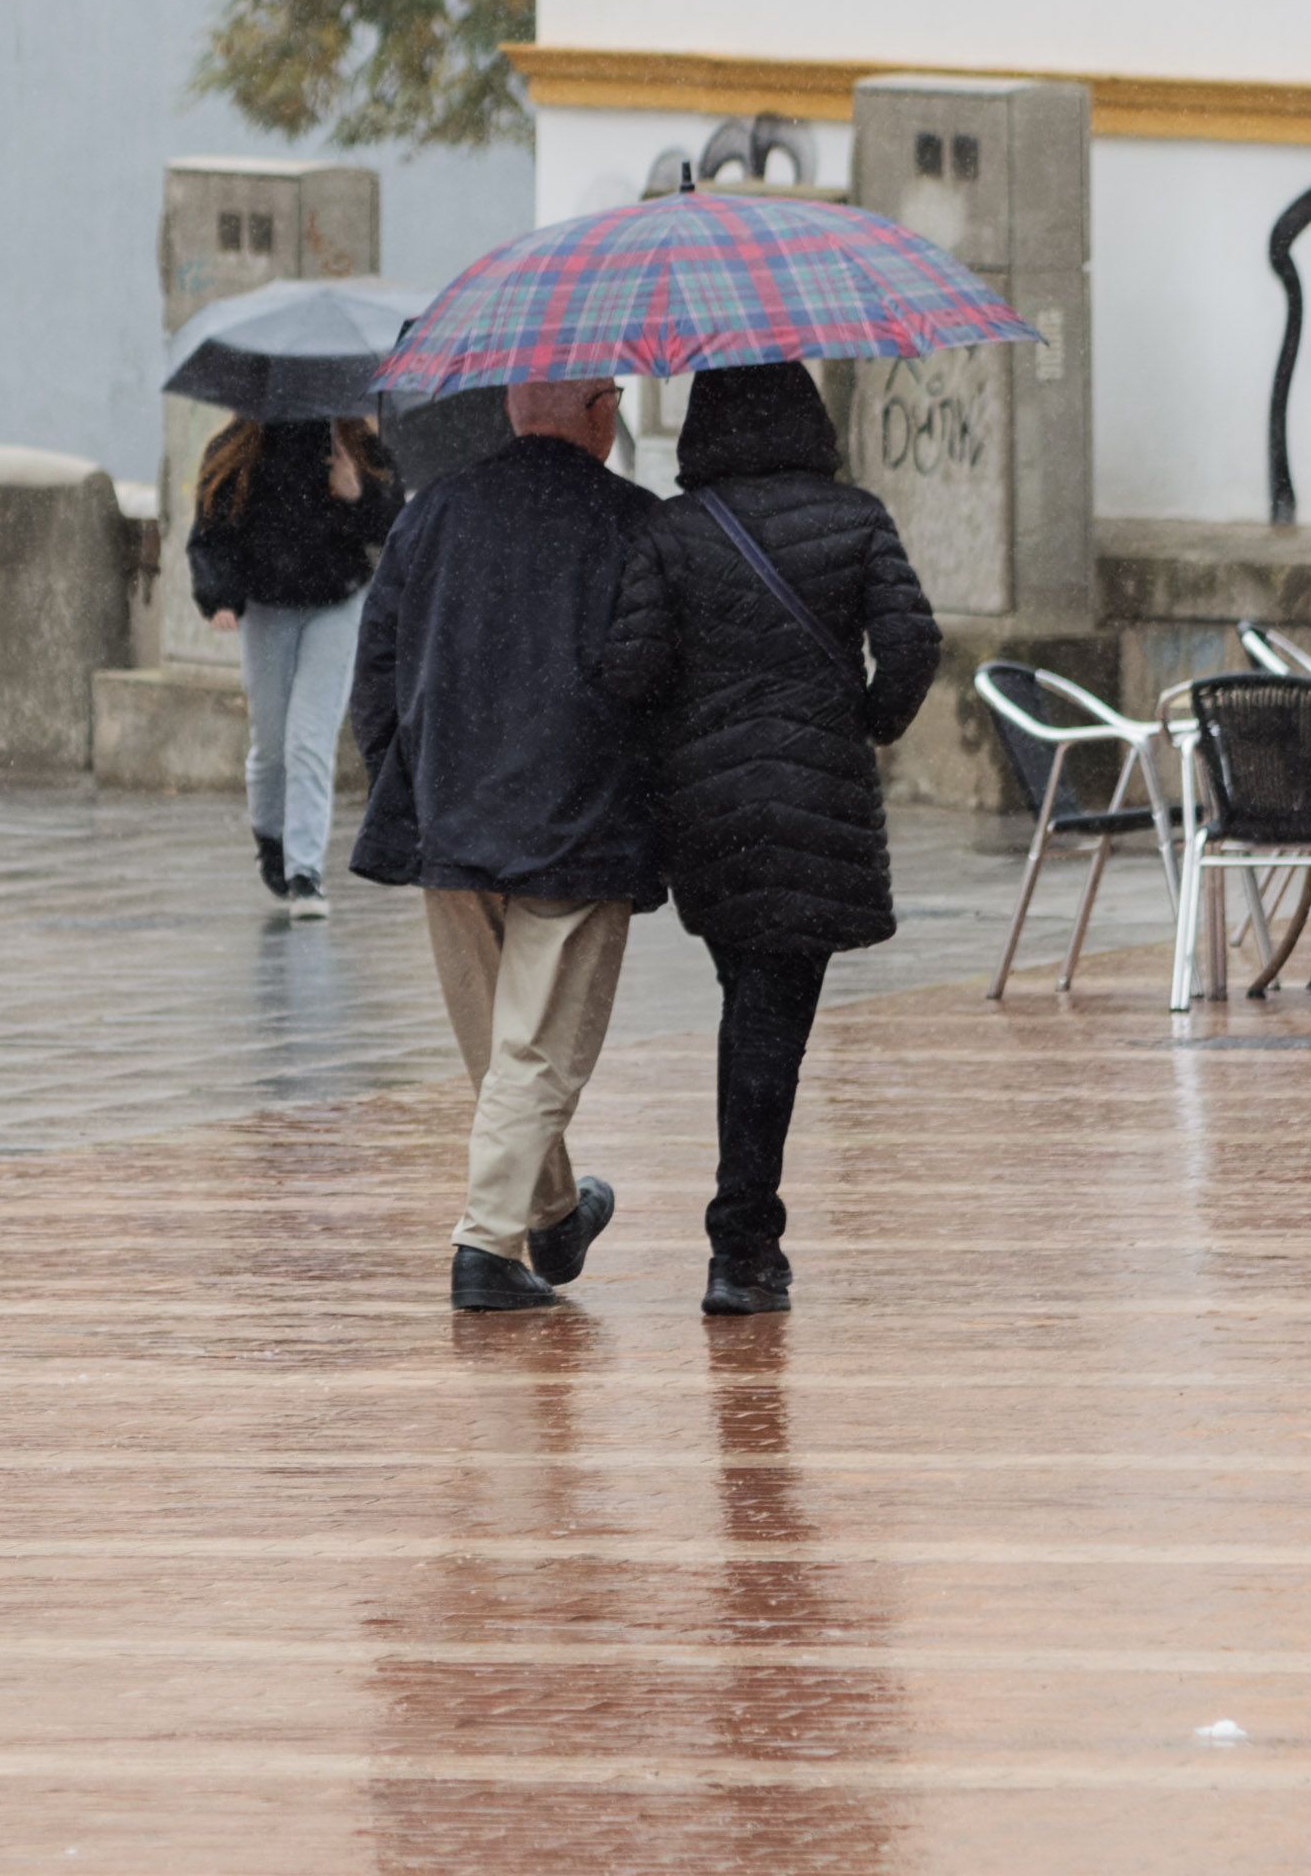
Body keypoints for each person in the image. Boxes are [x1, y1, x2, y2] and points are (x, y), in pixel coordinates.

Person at [596, 363, 941, 1316]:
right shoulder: (856, 518)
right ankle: (741, 1245)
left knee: (753, 1005)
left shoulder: (673, 532)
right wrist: (863, 720)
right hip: (816, 799)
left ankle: (745, 1233)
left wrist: (690, 725)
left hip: (708, 811)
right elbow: (913, 641)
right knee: (770, 1019)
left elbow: (629, 669)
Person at [351, 377, 664, 1311]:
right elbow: (658, 675)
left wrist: (410, 778)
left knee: (502, 1048)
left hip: (451, 818)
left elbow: (377, 672)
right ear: (598, 411)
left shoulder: (432, 512)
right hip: (580, 817)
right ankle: (485, 1248)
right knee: (532, 1051)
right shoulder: (634, 523)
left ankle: (556, 1212)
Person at [189, 415, 403, 922]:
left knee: (309, 737)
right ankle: (270, 835)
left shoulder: (353, 444)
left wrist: (357, 495)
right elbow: (211, 532)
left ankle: (306, 870)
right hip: (267, 605)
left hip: (338, 600)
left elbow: (395, 526)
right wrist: (218, 595)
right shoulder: (237, 448)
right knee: (270, 737)